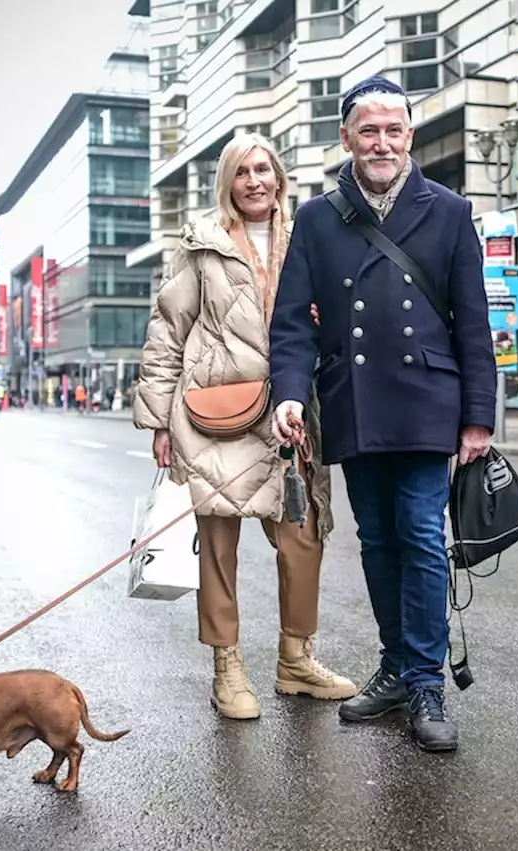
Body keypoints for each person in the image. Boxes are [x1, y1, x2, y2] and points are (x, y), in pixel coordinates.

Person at [268, 76, 496, 752]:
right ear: (346, 138)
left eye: (393, 130)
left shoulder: (449, 210)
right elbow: (290, 325)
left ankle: (426, 678)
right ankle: (396, 663)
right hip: (354, 400)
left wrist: (477, 416)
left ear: (409, 137)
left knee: (422, 533)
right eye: (369, 130)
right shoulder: (316, 216)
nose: (382, 142)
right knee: (376, 540)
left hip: (429, 399)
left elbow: (474, 323)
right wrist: (288, 391)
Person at [133, 132, 357, 721]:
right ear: (227, 183)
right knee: (218, 548)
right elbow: (166, 333)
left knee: (303, 537)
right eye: (242, 172)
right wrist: (158, 420)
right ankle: (227, 668)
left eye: (264, 169)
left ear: (280, 177)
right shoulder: (200, 246)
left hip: (291, 410)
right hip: (216, 413)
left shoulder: (313, 234)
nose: (255, 181)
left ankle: (295, 660)